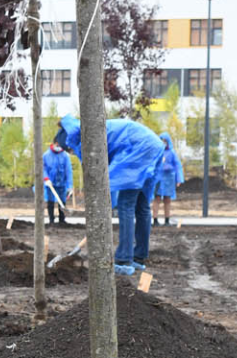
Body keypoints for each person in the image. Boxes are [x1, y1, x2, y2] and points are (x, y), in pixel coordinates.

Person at [53, 114, 165, 275]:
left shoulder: (87, 138)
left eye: (69, 150)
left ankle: (124, 259)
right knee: (142, 206)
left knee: (126, 205)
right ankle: (139, 257)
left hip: (136, 148)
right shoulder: (89, 129)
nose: (71, 153)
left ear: (69, 142)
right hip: (152, 144)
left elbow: (100, 172)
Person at [153, 132, 184, 226]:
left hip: (169, 178)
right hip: (158, 177)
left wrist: (179, 179)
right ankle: (155, 220)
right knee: (157, 198)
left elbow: (178, 166)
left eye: (165, 141)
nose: (163, 143)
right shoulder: (157, 152)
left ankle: (167, 220)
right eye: (162, 141)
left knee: (167, 199)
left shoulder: (172, 152)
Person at [41, 138, 72, 225]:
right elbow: (43, 168)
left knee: (62, 201)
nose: (58, 147)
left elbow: (68, 171)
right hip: (50, 183)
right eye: (57, 145)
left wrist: (70, 186)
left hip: (62, 183)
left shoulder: (65, 156)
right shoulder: (46, 155)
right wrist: (46, 178)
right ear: (53, 144)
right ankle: (51, 220)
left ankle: (62, 220)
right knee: (50, 201)